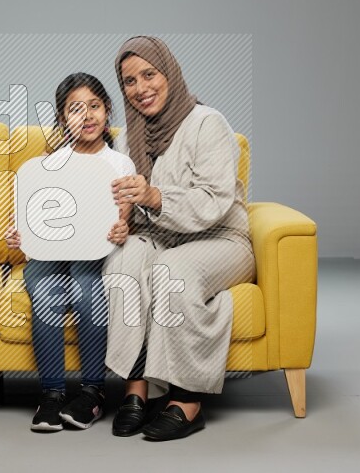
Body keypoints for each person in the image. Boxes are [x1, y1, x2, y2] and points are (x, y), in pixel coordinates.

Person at [104, 36, 256, 441]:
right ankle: (137, 388)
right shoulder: (127, 138)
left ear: (169, 72)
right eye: (130, 81)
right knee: (124, 260)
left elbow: (214, 201)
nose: (141, 88)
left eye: (149, 74)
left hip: (221, 239)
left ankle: (188, 401)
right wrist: (122, 223)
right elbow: (131, 211)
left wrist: (153, 195)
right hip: (161, 236)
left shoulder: (208, 123)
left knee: (172, 270)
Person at [4, 72, 134, 432]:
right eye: (75, 109)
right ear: (63, 119)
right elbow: (29, 215)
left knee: (87, 284)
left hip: (92, 253)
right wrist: (17, 235)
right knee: (44, 288)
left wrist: (122, 227)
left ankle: (92, 392)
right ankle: (51, 395)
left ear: (107, 110)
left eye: (94, 106)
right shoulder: (51, 162)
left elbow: (122, 217)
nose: (87, 116)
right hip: (50, 254)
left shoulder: (119, 163)